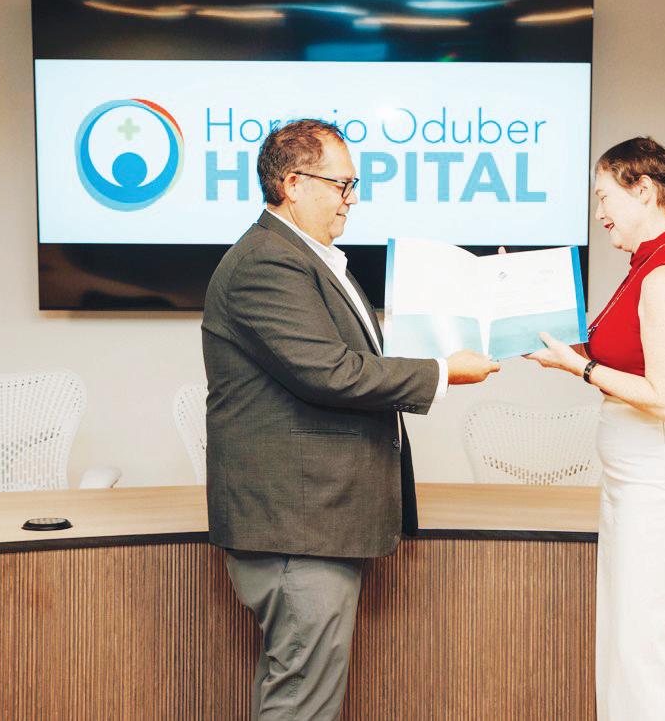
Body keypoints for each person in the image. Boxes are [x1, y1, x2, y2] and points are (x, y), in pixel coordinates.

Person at [202, 118, 499, 719]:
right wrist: (443, 372)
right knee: (302, 703)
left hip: (314, 523)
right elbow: (331, 373)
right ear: (293, 183)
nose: (352, 199)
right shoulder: (266, 264)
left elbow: (358, 360)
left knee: (306, 695)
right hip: (296, 528)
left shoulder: (305, 258)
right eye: (342, 185)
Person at [525, 136, 665, 720]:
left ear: (645, 191)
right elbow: (617, 354)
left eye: (604, 196)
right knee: (627, 647)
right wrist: (535, 317)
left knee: (647, 655)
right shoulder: (645, 267)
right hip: (638, 480)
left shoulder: (664, 278)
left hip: (661, 479)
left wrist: (579, 368)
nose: (599, 212)